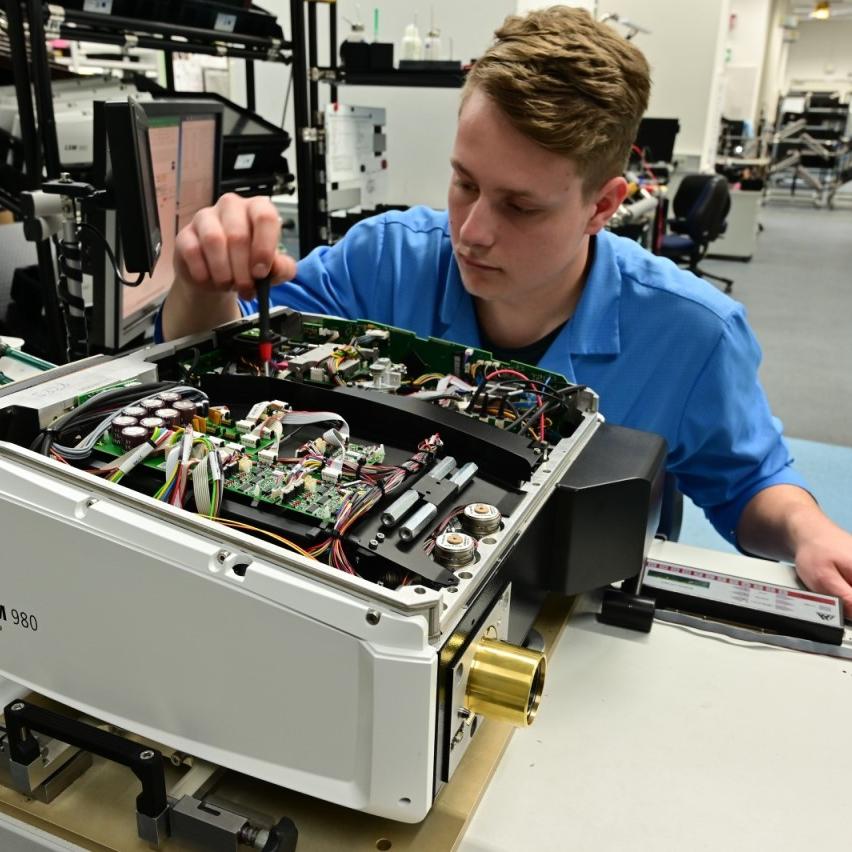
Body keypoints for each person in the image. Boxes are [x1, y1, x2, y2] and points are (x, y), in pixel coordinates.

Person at [160, 6, 852, 613]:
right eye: (464, 182)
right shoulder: (383, 261)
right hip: (365, 596)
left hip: (569, 624)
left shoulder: (690, 333)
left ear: (604, 206)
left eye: (520, 205)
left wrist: (807, 532)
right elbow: (230, 376)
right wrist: (200, 278)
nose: (473, 231)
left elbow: (752, 482)